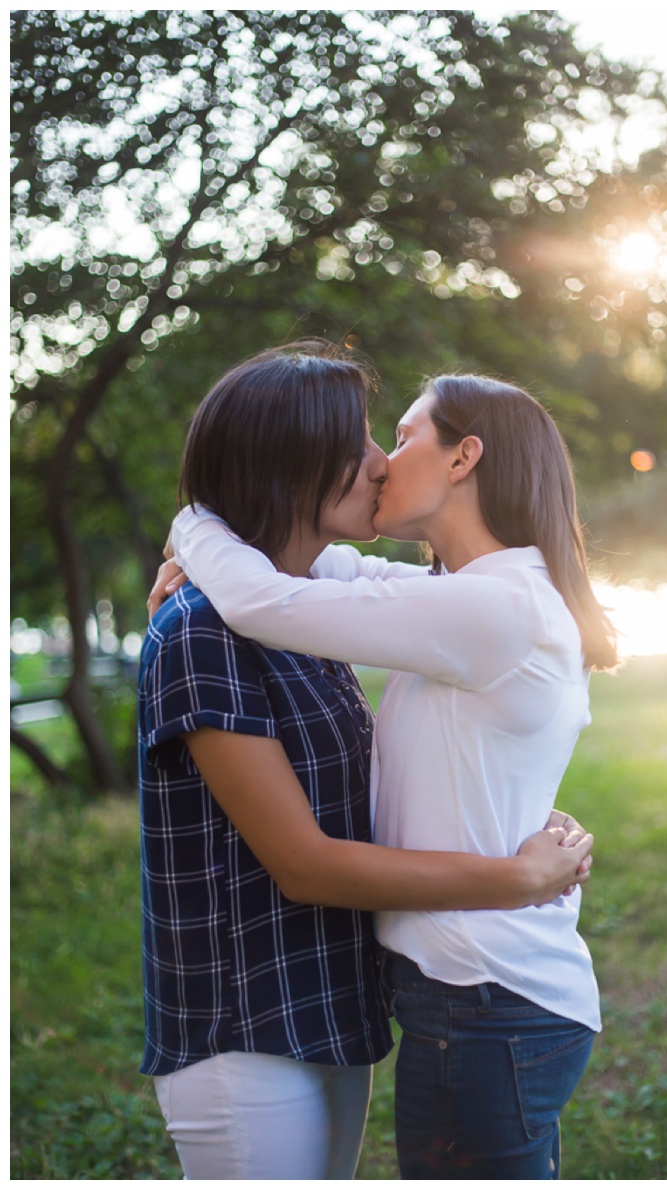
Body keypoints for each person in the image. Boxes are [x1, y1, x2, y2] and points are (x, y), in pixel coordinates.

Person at [139, 345, 594, 1181]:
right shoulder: (432, 601)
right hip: (289, 1014)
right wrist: (205, 540)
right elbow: (297, 583)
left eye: (401, 434)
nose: (383, 461)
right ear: (294, 460)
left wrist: (194, 526)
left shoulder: (484, 605)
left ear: (465, 457)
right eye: (366, 439)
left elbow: (271, 593)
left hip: (468, 989)